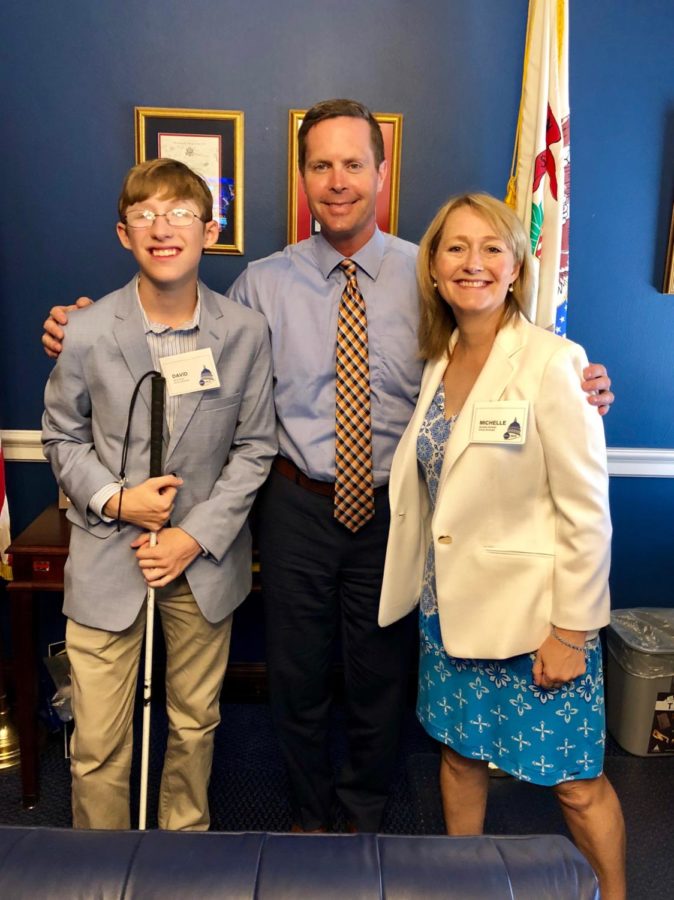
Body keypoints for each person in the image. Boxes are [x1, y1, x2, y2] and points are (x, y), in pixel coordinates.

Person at [40, 100, 615, 834]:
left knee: (379, 678)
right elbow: (184, 346)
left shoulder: (430, 273)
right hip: (295, 506)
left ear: (380, 174)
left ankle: (363, 818)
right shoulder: (259, 285)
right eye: (321, 165)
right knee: (297, 678)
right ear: (304, 178)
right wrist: (81, 326)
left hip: (395, 510)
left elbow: (501, 349)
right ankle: (310, 818)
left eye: (353, 164)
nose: (337, 180)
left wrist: (582, 380)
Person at [379, 193, 625, 897]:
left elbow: (586, 512)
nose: (473, 263)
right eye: (455, 248)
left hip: (535, 623)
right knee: (458, 760)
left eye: (492, 248)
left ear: (517, 266)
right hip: (450, 611)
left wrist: (572, 631)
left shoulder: (554, 363)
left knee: (577, 785)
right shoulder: (442, 356)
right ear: (432, 267)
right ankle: (468, 886)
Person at [41, 159, 276, 830]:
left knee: (196, 724)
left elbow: (255, 446)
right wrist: (118, 501)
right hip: (107, 558)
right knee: (97, 743)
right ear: (124, 234)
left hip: (201, 562)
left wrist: (189, 536)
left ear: (209, 231)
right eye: (145, 216)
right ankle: (103, 868)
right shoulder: (85, 331)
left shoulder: (245, 333)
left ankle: (183, 856)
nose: (162, 228)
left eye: (179, 214)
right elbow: (61, 436)